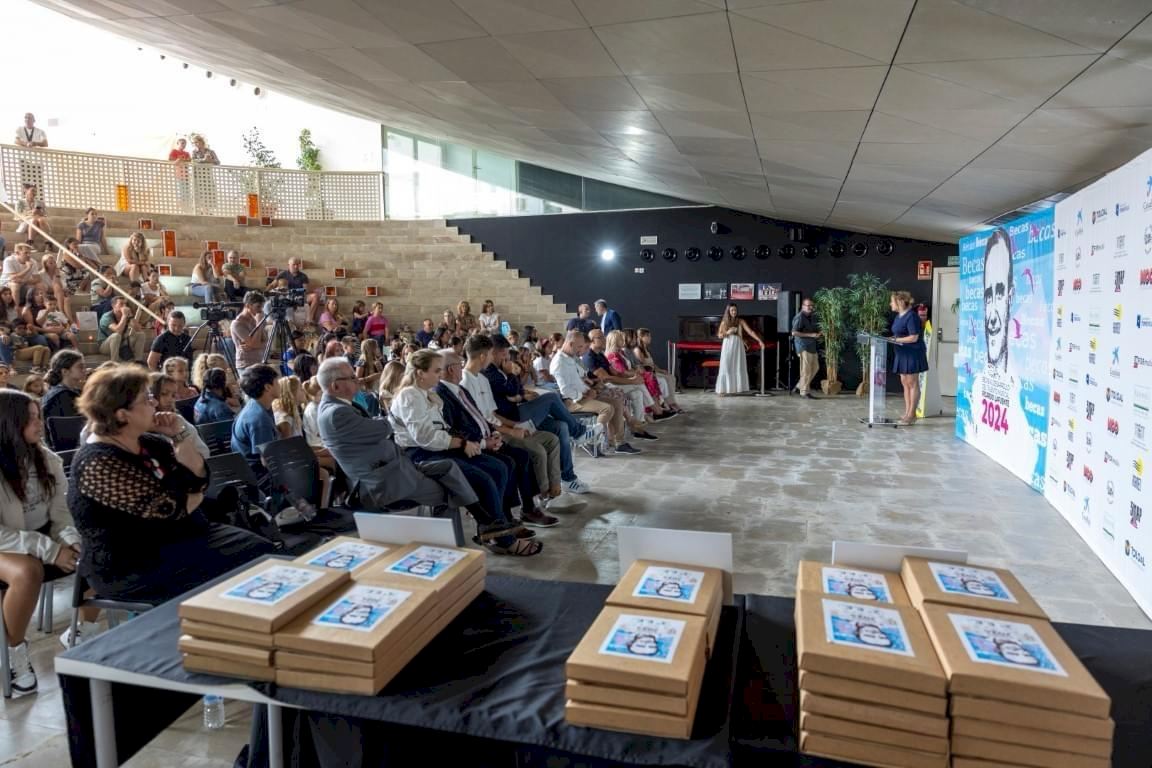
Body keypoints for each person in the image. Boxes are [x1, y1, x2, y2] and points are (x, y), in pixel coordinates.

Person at [69, 365, 272, 607]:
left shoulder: (150, 443)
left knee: (263, 553)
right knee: (252, 564)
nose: (154, 403)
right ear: (122, 414)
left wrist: (178, 435)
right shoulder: (97, 463)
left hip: (181, 538)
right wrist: (192, 494)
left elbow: (200, 479)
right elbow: (172, 508)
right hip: (132, 564)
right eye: (147, 399)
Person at [316, 358, 535, 554]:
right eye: (351, 378)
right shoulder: (336, 413)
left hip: (398, 465)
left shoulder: (343, 407)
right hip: (386, 479)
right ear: (335, 385)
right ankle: (480, 537)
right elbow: (385, 428)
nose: (357, 380)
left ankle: (485, 527)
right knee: (458, 486)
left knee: (455, 470)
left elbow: (383, 427)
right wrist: (387, 421)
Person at [388, 352, 543, 552]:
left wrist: (472, 443)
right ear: (420, 373)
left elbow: (443, 429)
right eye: (436, 370)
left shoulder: (426, 394)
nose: (440, 374)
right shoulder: (409, 395)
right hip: (420, 454)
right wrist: (462, 444)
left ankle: (498, 526)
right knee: (482, 477)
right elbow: (425, 437)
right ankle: (502, 538)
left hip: (439, 448)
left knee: (497, 467)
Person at [0, 391, 90, 695]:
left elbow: (61, 514)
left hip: (38, 535)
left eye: (38, 416)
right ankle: (14, 653)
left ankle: (82, 632)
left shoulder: (47, 459)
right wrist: (50, 550)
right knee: (28, 572)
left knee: (92, 551)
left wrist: (69, 541)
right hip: (5, 543)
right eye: (31, 418)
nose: (40, 424)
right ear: (9, 423)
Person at [439, 350, 560, 526]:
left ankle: (527, 509)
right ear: (452, 369)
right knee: (508, 462)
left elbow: (479, 416)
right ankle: (503, 517)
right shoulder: (443, 393)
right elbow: (454, 429)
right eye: (459, 364)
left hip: (488, 436)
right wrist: (485, 441)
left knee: (521, 456)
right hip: (469, 446)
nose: (462, 367)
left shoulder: (460, 389)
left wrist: (493, 433)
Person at [551, 330, 638, 455]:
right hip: (572, 401)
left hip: (584, 395)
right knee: (607, 408)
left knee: (617, 403)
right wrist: (585, 394)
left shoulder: (570, 358)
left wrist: (588, 385)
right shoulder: (559, 362)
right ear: (570, 344)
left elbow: (579, 378)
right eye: (579, 346)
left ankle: (619, 443)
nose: (581, 350)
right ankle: (590, 441)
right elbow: (565, 390)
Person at [584, 329, 659, 434]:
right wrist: (631, 381)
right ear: (592, 340)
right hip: (602, 386)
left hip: (610, 383)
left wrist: (632, 378)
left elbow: (616, 373)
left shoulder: (600, 355)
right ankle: (656, 410)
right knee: (638, 385)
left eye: (603, 336)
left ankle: (638, 425)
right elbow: (607, 378)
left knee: (637, 392)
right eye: (600, 337)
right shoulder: (589, 357)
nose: (604, 339)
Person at [230, 364, 280, 482]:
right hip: (259, 479)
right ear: (268, 387)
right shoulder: (259, 419)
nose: (280, 385)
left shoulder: (255, 406)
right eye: (277, 382)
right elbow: (268, 462)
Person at [889, 290, 928, 426]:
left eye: (892, 302)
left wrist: (896, 339)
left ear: (900, 302)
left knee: (912, 383)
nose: (890, 304)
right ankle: (907, 412)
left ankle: (912, 414)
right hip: (902, 353)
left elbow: (914, 337)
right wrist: (892, 338)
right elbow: (898, 334)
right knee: (905, 382)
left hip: (912, 353)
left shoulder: (912, 316)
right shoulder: (898, 316)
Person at [716, 303, 763, 396]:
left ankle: (736, 388)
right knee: (726, 365)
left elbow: (750, 332)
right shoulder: (724, 322)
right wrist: (728, 332)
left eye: (735, 310)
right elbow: (719, 335)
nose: (734, 312)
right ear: (728, 311)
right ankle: (723, 389)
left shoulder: (740, 321)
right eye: (732, 310)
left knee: (738, 365)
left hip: (738, 345)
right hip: (728, 345)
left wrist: (759, 340)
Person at [983, 228, 1013, 374]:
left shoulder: (1018, 382)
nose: (993, 318)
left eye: (1000, 294)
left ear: (1010, 298)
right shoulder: (976, 383)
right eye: (989, 297)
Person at [99, 296, 150, 363]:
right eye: (121, 304)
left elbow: (139, 329)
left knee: (140, 335)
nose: (124, 306)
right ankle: (115, 362)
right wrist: (124, 316)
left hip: (122, 343)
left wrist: (131, 316)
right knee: (116, 336)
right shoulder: (106, 316)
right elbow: (118, 330)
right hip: (105, 346)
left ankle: (138, 360)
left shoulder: (126, 315)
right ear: (113, 305)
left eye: (125, 304)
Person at [41, 349, 86, 420]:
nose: (84, 370)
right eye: (80, 367)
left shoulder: (73, 391)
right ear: (65, 371)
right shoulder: (63, 396)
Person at [791, 297, 822, 399]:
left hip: (811, 346)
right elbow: (794, 332)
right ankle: (804, 392)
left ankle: (799, 386)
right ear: (803, 306)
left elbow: (814, 330)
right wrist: (811, 335)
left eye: (811, 305)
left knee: (815, 367)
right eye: (808, 305)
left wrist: (819, 333)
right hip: (803, 345)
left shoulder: (812, 316)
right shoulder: (799, 317)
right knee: (806, 370)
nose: (810, 307)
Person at [230, 291, 268, 373]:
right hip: (246, 365)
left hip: (260, 362)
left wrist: (255, 345)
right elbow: (255, 343)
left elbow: (266, 342)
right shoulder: (237, 323)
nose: (260, 310)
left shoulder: (257, 319)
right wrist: (259, 324)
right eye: (258, 307)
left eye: (262, 307)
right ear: (248, 306)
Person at [277, 258, 319, 323]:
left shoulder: (303, 276)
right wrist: (265, 292)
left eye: (297, 264)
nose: (296, 266)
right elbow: (273, 285)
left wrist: (309, 291)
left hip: (300, 296)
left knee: (315, 296)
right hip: (287, 296)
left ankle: (310, 318)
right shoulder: (282, 274)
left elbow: (306, 290)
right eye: (294, 264)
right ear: (288, 265)